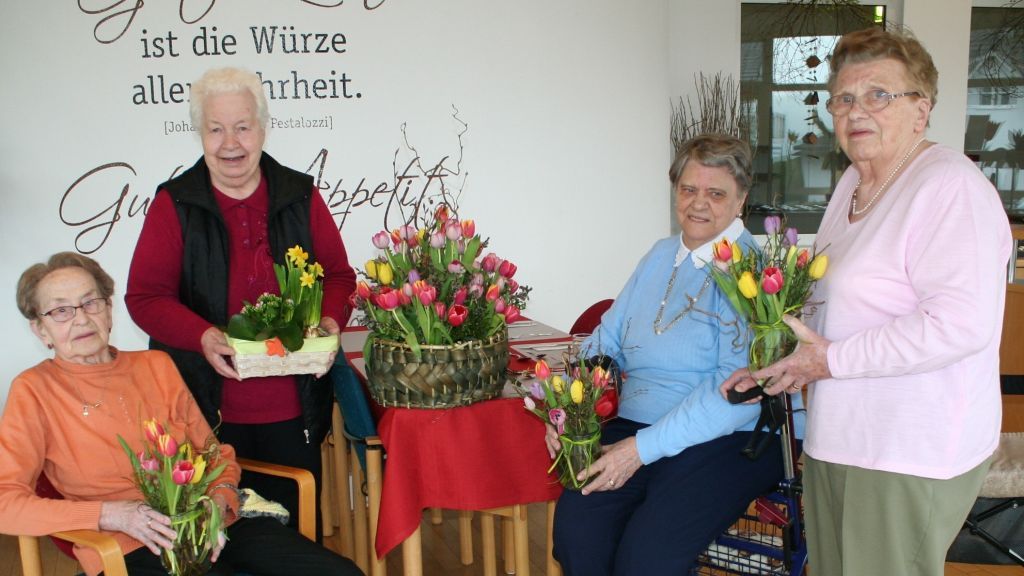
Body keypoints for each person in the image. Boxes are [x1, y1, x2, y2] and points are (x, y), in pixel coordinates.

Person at [721, 28, 1013, 576]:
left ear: (920, 109)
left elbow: (959, 324)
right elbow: (833, 307)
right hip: (841, 435)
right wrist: (783, 363)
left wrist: (829, 360)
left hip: (907, 448)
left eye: (879, 95)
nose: (858, 111)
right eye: (844, 99)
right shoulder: (853, 182)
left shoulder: (949, 185)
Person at [0, 252, 362, 576]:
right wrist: (109, 514)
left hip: (212, 522)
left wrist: (220, 499)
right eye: (60, 310)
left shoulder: (155, 365)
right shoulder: (34, 390)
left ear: (109, 310)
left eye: (90, 302)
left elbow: (213, 453)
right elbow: (6, 503)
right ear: (41, 330)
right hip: (130, 544)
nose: (80, 319)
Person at [549, 133, 805, 575]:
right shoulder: (659, 255)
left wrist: (640, 451)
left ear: (741, 199)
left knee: (646, 561)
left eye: (716, 193)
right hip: (637, 426)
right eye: (688, 189)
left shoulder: (755, 274)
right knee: (578, 536)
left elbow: (735, 396)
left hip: (730, 438)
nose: (698, 203)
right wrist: (569, 413)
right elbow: (605, 340)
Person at [126, 67, 356, 537]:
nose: (230, 142)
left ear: (263, 129)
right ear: (201, 134)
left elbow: (338, 277)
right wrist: (203, 335)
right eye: (216, 128)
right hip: (204, 413)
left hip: (295, 411)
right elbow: (145, 298)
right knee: (218, 544)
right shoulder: (175, 204)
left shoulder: (301, 195)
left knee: (292, 539)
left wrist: (330, 324)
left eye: (242, 126)